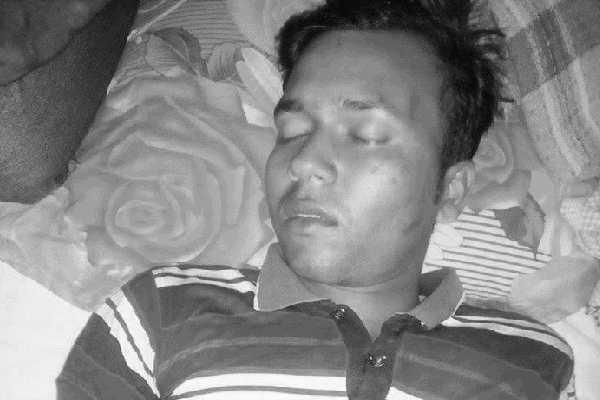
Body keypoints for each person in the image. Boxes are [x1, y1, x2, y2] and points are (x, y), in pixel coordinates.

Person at [56, 0, 573, 399]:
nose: (303, 162)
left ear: (451, 189)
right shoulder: (160, 313)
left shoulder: (535, 361)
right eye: (292, 131)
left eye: (364, 135)